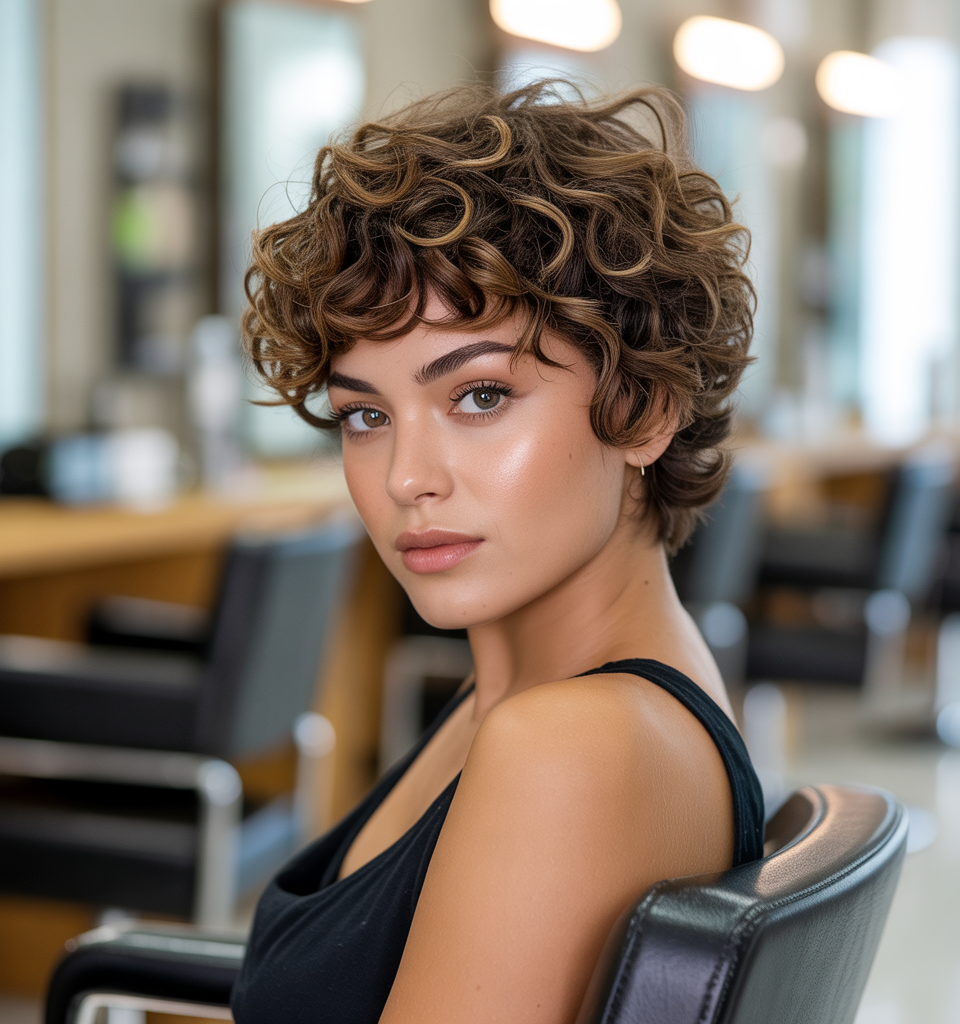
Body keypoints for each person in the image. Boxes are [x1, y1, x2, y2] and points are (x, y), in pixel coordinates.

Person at [231, 80, 762, 1024]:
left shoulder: (571, 746)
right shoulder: (526, 692)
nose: (406, 478)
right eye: (365, 415)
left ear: (642, 407)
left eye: (478, 396)